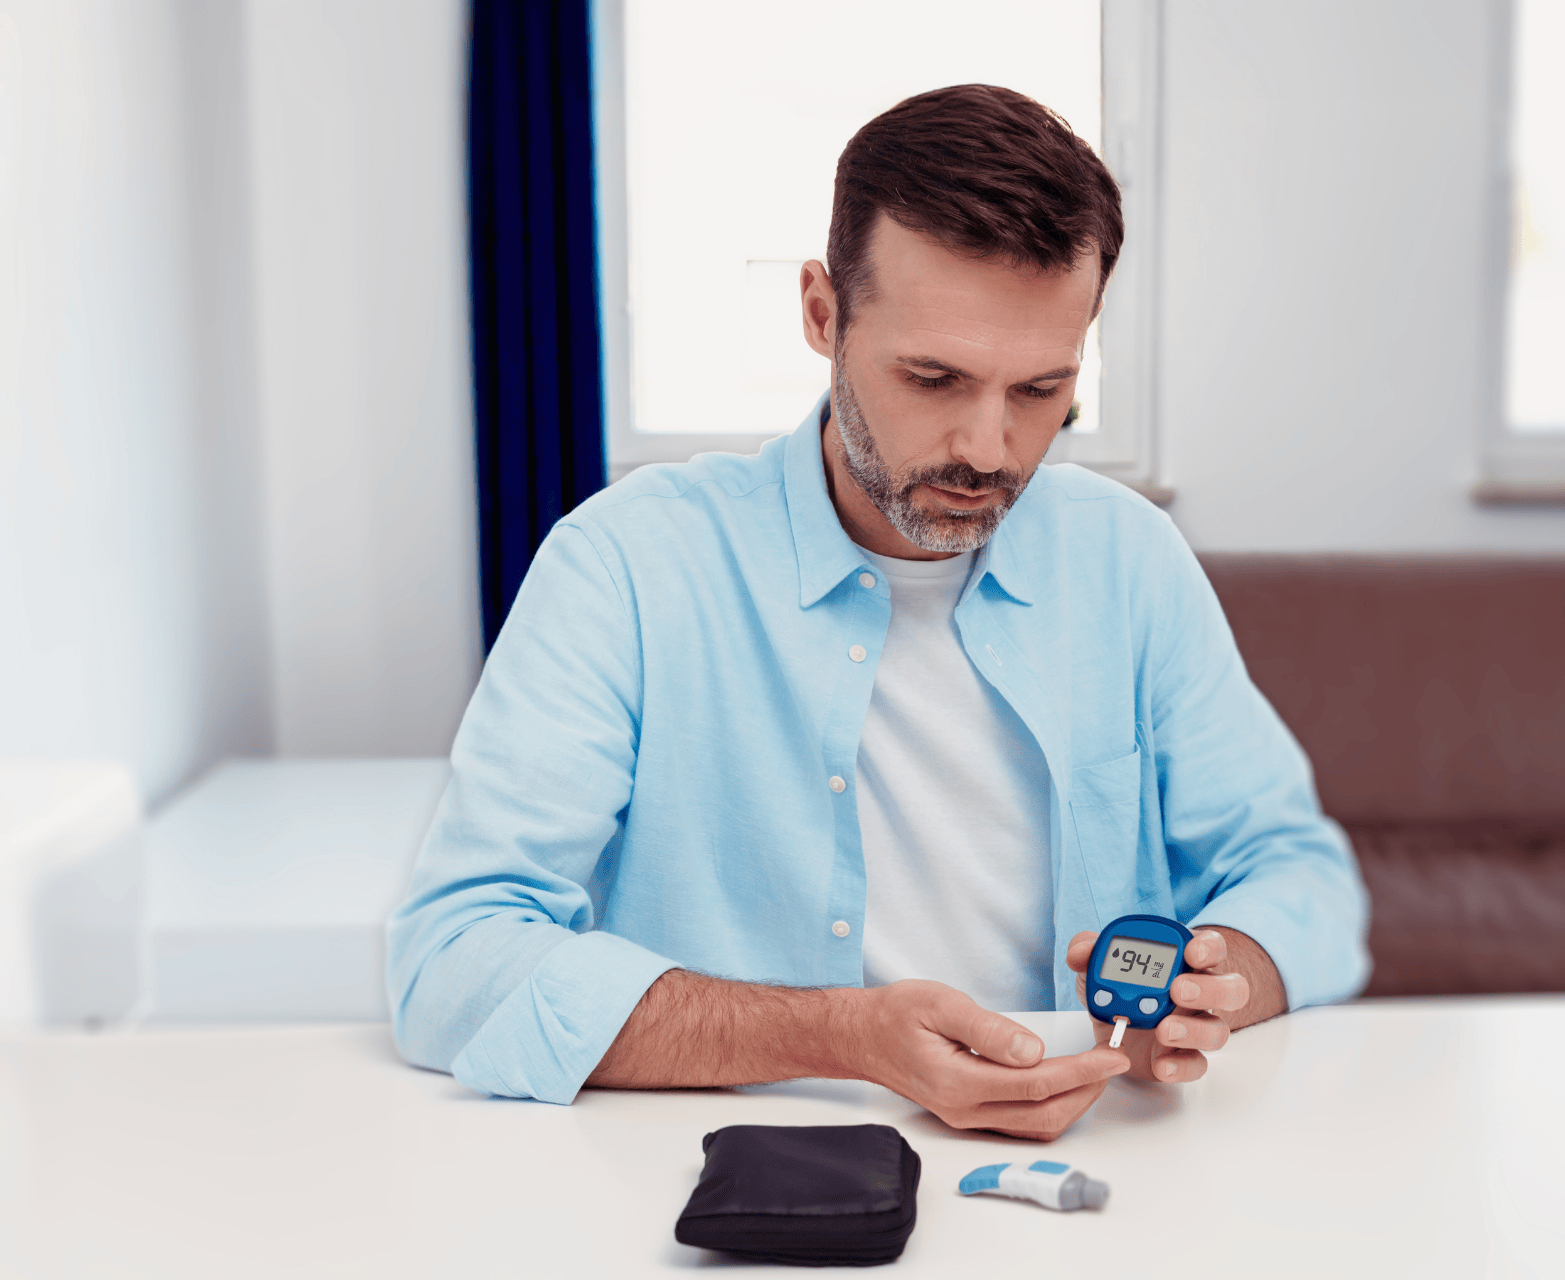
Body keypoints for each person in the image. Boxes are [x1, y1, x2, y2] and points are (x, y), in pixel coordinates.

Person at [389, 84, 1369, 1141]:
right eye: (934, 376)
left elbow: (1297, 872)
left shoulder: (1127, 559)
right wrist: (839, 1035)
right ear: (822, 313)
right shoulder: (626, 565)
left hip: (1090, 1174)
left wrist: (1227, 979)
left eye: (1041, 390)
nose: (990, 448)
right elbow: (455, 957)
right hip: (739, 1184)